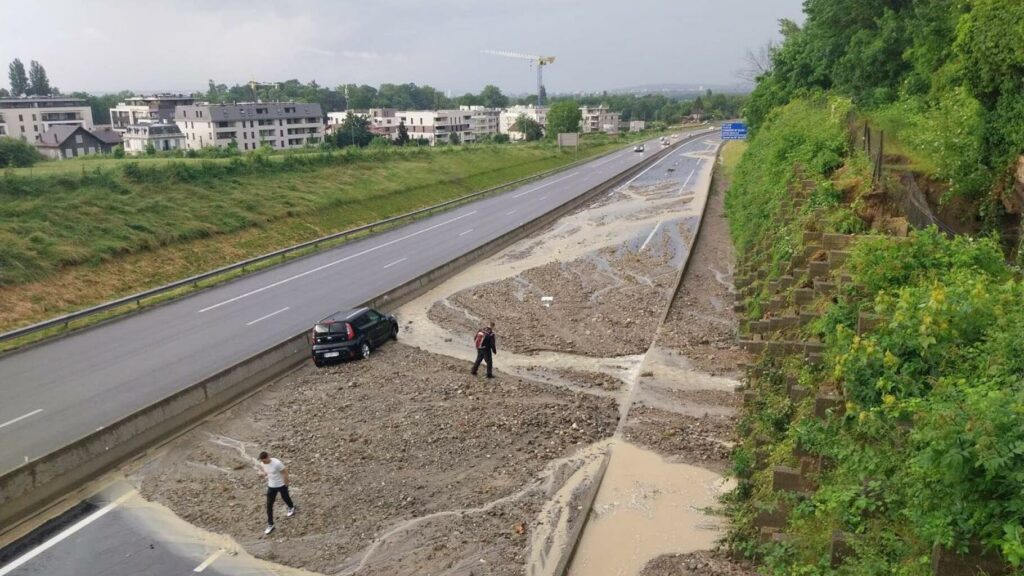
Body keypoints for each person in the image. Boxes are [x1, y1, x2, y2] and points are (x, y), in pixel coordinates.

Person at [257, 451, 295, 535]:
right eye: (262, 461)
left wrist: (286, 484)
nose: (263, 462)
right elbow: (265, 471)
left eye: (264, 460)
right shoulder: (263, 463)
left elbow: (285, 472)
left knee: (285, 498)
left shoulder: (277, 463)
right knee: (269, 504)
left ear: (268, 457)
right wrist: (262, 474)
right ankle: (270, 524)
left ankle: (291, 507)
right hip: (271, 486)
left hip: (281, 485)